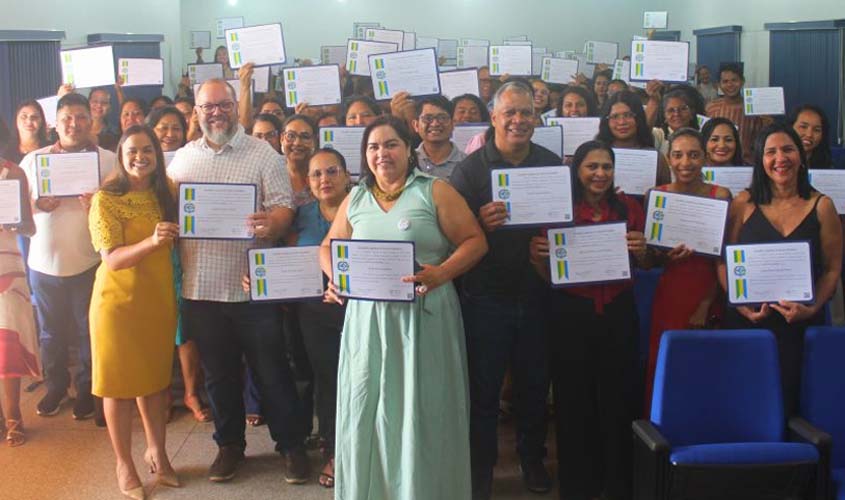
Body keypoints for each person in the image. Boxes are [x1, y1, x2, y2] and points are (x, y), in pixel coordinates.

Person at [320, 115, 487, 499]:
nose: (382, 153)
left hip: (423, 317)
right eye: (373, 146)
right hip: (368, 323)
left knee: (422, 410)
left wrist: (442, 273)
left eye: (391, 144)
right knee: (370, 408)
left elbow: (475, 241)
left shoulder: (434, 191)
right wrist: (337, 278)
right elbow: (328, 246)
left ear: (409, 149)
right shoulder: (357, 196)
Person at [167, 78, 309, 483]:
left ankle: (291, 445)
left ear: (235, 107)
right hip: (201, 288)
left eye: (223, 105)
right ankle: (229, 445)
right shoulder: (182, 160)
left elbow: (284, 209)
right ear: (196, 111)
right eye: (207, 106)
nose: (216, 112)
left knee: (272, 370)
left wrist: (272, 223)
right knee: (219, 374)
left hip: (252, 287)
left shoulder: (262, 154)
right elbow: (165, 207)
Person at [451, 81, 562, 499]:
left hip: (537, 296)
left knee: (534, 389)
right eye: (510, 113)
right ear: (494, 117)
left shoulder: (551, 165)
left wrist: (552, 247)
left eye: (527, 113)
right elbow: (452, 237)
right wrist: (479, 223)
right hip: (485, 299)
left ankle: (531, 459)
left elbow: (565, 229)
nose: (519, 120)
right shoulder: (471, 170)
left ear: (536, 117)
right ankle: (482, 471)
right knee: (484, 394)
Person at [528, 140, 649, 500]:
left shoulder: (629, 207)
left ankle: (617, 485)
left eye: (606, 167)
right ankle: (579, 486)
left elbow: (645, 263)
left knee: (618, 400)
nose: (599, 174)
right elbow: (549, 274)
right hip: (571, 313)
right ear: (577, 171)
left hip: (618, 311)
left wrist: (643, 252)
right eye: (591, 167)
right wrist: (536, 258)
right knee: (573, 401)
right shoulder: (558, 210)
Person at [720, 123, 842, 417]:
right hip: (748, 323)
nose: (780, 159)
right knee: (747, 405)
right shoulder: (743, 203)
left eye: (788, 149)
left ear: (800, 156)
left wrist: (811, 309)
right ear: (760, 161)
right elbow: (723, 261)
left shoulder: (822, 206)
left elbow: (832, 269)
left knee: (795, 406)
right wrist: (741, 306)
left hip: (798, 327)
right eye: (770, 152)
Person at [88, 125, 180, 499]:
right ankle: (124, 463)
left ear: (157, 155)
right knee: (118, 387)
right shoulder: (105, 199)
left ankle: (158, 451)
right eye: (132, 151)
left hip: (157, 301)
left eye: (147, 150)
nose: (140, 157)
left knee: (155, 384)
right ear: (120, 157)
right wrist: (153, 241)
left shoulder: (169, 193)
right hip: (117, 305)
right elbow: (112, 260)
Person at [20, 93, 115, 420]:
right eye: (66, 119)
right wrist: (36, 205)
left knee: (88, 330)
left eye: (80, 117)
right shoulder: (34, 161)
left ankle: (87, 389)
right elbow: (16, 213)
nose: (74, 124)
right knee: (50, 332)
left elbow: (121, 209)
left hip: (88, 262)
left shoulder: (108, 160)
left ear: (91, 120)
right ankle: (56, 386)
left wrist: (97, 205)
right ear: (55, 125)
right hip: (44, 264)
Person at [644, 129, 731, 415]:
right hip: (670, 293)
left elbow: (724, 258)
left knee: (705, 368)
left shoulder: (721, 195)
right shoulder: (657, 196)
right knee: (665, 366)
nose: (686, 162)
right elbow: (648, 260)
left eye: (694, 155)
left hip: (708, 292)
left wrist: (706, 304)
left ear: (704, 158)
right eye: (678, 155)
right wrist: (661, 255)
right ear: (669, 159)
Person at [146, 107, 212, 424]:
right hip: (146, 258)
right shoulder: (139, 172)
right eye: (162, 128)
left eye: (175, 127)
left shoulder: (187, 162)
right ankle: (158, 393)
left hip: (180, 253)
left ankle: (189, 392)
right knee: (154, 326)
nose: (168, 133)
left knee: (182, 328)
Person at [0, 144, 39, 447]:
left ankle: (13, 415)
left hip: (6, 267)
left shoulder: (13, 172)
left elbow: (29, 227)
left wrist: (13, 222)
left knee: (6, 345)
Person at [596, 90, 672, 189]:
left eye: (628, 115)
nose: (622, 122)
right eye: (614, 116)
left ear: (638, 118)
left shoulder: (657, 159)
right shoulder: (596, 155)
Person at [706, 63, 772, 165]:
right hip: (716, 165)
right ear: (719, 85)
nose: (730, 85)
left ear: (742, 81)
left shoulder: (755, 108)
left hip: (746, 164)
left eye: (734, 80)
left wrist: (768, 124)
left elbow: (763, 140)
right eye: (725, 81)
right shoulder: (711, 108)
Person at [413, 95, 466, 180]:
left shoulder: (467, 163)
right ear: (416, 125)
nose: (435, 124)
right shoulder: (407, 161)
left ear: (453, 124)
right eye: (428, 118)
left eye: (442, 118)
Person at [788, 104, 834, 169]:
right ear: (791, 128)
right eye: (803, 127)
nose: (809, 134)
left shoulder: (827, 167)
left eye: (816, 130)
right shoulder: (779, 163)